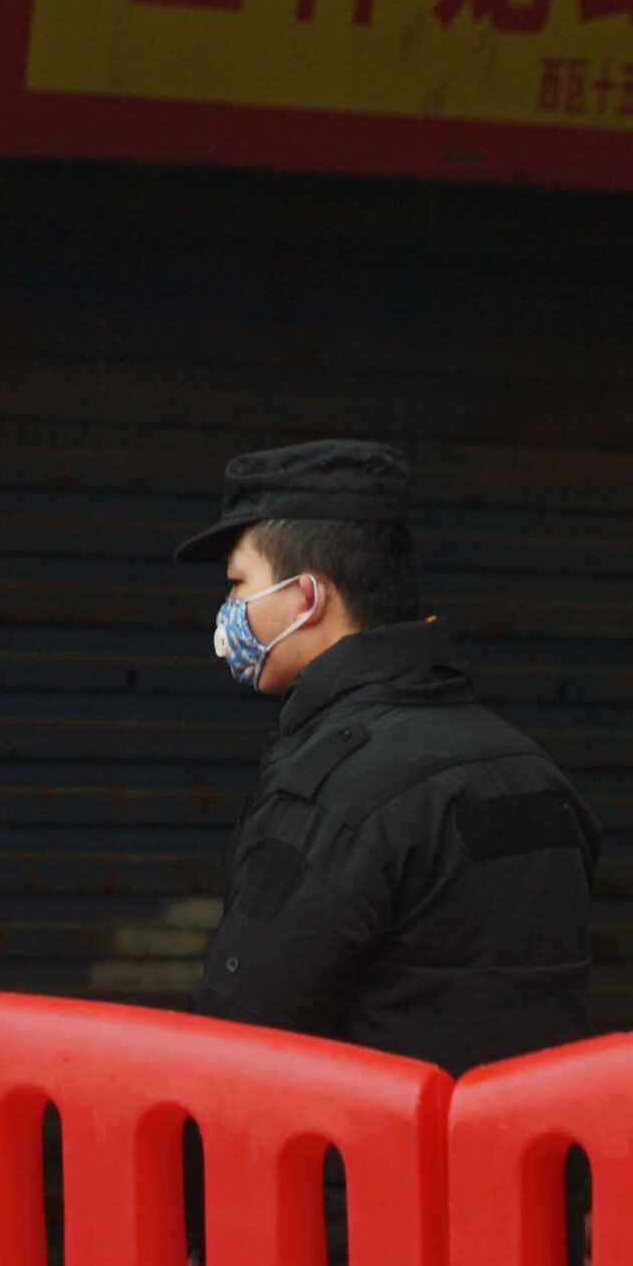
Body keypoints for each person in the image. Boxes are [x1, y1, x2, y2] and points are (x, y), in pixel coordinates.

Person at [178, 439, 601, 1076]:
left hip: (374, 1144)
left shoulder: (333, 794)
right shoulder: (533, 771)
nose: (229, 611)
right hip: (529, 1142)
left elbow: (244, 1043)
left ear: (307, 598)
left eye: (239, 583)